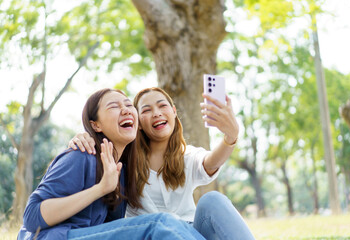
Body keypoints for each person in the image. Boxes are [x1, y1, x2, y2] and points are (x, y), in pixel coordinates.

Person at [18, 88, 205, 240]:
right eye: (114, 106)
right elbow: (32, 217)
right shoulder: (82, 155)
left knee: (176, 223)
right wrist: (100, 189)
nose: (125, 109)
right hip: (56, 237)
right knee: (159, 224)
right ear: (96, 125)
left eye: (128, 105)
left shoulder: (122, 171)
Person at [69, 87, 255, 240]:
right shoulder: (124, 159)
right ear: (138, 122)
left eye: (162, 106)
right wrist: (84, 136)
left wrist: (230, 137)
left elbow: (211, 163)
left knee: (212, 200)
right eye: (147, 110)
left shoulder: (187, 156)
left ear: (173, 112)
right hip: (153, 234)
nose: (156, 113)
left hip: (192, 233)